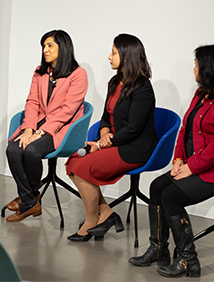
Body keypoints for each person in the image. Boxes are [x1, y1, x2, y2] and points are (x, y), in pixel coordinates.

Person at [129, 45, 214, 278]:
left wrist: (191, 167)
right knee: (157, 186)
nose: (193, 67)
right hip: (196, 164)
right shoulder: (201, 95)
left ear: (209, 67)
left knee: (171, 196)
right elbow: (186, 131)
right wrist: (178, 159)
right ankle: (158, 249)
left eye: (196, 63)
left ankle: (188, 259)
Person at [65, 34, 158, 242]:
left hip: (133, 147)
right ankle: (106, 213)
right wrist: (105, 131)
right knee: (72, 162)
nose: (109, 56)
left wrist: (101, 143)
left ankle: (91, 221)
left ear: (127, 56)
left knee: (82, 167)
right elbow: (106, 115)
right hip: (113, 142)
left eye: (114, 52)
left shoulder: (143, 88)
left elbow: (134, 129)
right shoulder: (115, 82)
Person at [5, 29, 88, 222]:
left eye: (50, 45)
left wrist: (41, 132)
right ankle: (30, 200)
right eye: (44, 46)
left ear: (63, 48)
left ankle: (28, 200)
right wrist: (28, 129)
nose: (45, 50)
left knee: (32, 151)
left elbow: (68, 110)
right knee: (13, 150)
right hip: (38, 123)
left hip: (64, 129)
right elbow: (32, 102)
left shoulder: (78, 74)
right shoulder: (40, 72)